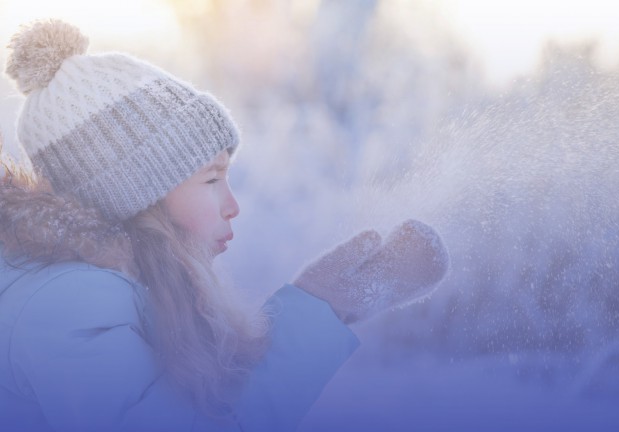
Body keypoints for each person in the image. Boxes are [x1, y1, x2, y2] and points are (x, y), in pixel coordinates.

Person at [0, 19, 449, 432]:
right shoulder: (66, 306)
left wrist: (323, 309)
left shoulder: (117, 288)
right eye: (212, 179)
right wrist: (315, 312)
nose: (233, 205)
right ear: (137, 193)